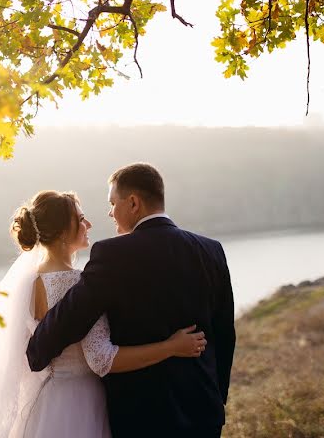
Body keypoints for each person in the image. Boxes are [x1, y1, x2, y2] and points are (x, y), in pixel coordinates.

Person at [0, 190, 206, 438]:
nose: (89, 224)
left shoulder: (28, 282)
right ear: (64, 231)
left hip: (45, 401)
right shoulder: (77, 283)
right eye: (81, 218)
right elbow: (101, 358)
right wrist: (171, 346)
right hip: (81, 402)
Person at [27, 164, 236, 438]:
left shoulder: (113, 255)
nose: (110, 212)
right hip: (204, 412)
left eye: (113, 203)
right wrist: (216, 397)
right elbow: (224, 334)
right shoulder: (211, 250)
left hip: (141, 416)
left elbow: (72, 316)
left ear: (134, 203)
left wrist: (37, 350)